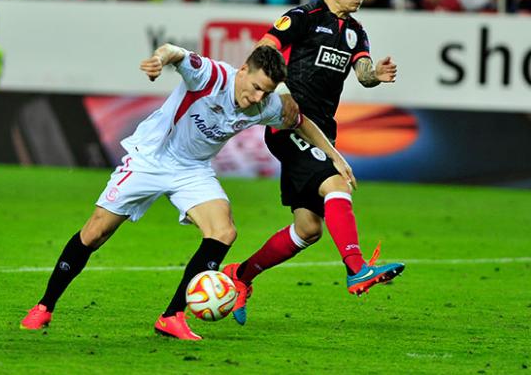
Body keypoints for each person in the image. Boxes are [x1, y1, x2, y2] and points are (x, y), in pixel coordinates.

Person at [20, 43, 356, 340]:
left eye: (265, 93)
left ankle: (172, 316)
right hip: (151, 159)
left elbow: (301, 121)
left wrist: (335, 157)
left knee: (223, 232)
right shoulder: (211, 76)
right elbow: (174, 52)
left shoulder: (264, 105)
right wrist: (157, 59)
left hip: (192, 171)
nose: (256, 98)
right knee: (94, 233)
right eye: (255, 87)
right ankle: (45, 306)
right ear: (242, 71)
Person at [222, 0, 405, 326]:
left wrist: (376, 76)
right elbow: (265, 48)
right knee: (337, 183)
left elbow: (364, 73)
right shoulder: (303, 18)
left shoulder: (356, 31)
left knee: (308, 229)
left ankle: (240, 276)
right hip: (287, 123)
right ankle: (356, 269)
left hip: (322, 128)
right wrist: (281, 90)